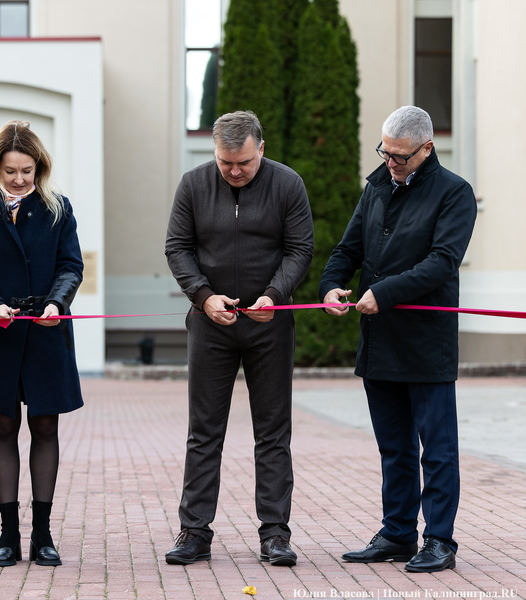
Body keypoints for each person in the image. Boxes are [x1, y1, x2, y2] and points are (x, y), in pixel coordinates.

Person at [320, 106, 477, 573]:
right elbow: (348, 248)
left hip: (427, 343)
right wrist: (330, 285)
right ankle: (397, 533)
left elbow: (442, 261)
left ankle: (440, 540)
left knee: (438, 450)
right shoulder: (376, 186)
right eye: (385, 153)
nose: (390, 163)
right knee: (395, 447)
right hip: (380, 340)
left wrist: (384, 293)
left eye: (400, 157)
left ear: (427, 148)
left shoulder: (454, 193)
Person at [164, 111, 314, 567]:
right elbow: (177, 247)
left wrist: (275, 294)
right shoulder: (193, 185)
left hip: (270, 325)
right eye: (225, 162)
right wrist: (203, 296)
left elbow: (300, 249)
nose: (234, 171)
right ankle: (194, 532)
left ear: (261, 149)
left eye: (244, 162)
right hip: (209, 323)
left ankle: (275, 534)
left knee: (273, 432)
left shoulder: (288, 184)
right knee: (203, 432)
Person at [0, 120, 83, 568]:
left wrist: (56, 303)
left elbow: (71, 266)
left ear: (39, 168)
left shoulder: (57, 209)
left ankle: (42, 535)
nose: (18, 179)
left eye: (26, 171)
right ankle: (8, 535)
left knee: (45, 428)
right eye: (10, 171)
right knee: (3, 427)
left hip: (47, 332)